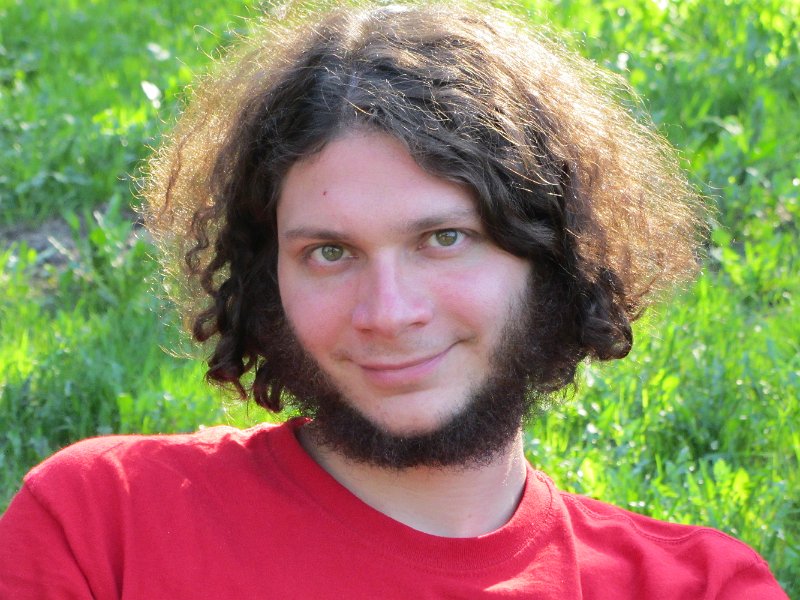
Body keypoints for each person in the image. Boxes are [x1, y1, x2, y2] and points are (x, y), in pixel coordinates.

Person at [0, 2, 788, 598]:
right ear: (267, 279)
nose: (387, 312)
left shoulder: (696, 587)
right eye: (329, 252)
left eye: (443, 238)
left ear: (550, 256)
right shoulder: (105, 525)